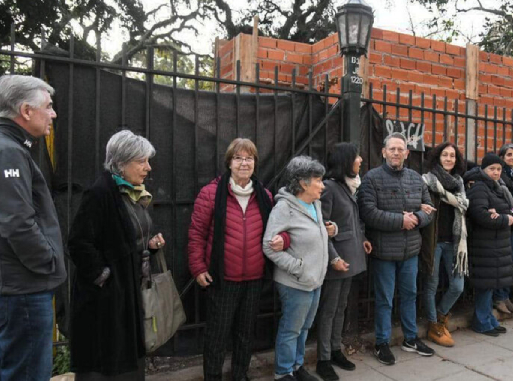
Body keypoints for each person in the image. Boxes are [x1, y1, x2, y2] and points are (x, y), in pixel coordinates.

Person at [187, 138, 289, 381]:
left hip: (254, 278)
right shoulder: (211, 193)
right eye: (238, 158)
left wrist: (283, 240)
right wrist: (198, 267)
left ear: (255, 163)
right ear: (229, 162)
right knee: (217, 334)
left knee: (245, 333)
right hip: (223, 279)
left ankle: (240, 375)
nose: (244, 163)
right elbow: (196, 234)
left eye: (249, 158)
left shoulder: (264, 195)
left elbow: (283, 228)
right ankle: (213, 376)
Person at [69, 130, 164, 380]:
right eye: (141, 161)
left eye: (147, 160)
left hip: (125, 293)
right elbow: (79, 242)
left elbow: (125, 238)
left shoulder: (130, 193)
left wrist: (149, 246)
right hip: (105, 301)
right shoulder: (100, 193)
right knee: (104, 364)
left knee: (125, 362)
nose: (148, 167)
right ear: (121, 163)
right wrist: (104, 276)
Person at [0, 75, 66, 381]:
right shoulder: (9, 151)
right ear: (26, 110)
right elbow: (17, 223)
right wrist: (47, 261)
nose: (53, 114)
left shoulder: (13, 147)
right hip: (24, 287)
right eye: (48, 106)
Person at [357, 133, 434, 365]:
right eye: (392, 149)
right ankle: (382, 342)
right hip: (384, 252)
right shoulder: (371, 179)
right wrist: (400, 221)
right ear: (383, 152)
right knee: (384, 299)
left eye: (401, 149)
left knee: (410, 295)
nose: (396, 153)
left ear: (407, 153)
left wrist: (417, 219)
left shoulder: (415, 178)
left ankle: (410, 338)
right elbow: (368, 213)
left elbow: (429, 208)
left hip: (410, 250)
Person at [263, 156, 338, 381]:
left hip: (315, 279)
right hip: (295, 281)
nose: (323, 185)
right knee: (291, 330)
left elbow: (314, 234)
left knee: (304, 328)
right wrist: (299, 268)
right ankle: (283, 372)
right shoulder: (284, 208)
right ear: (304, 183)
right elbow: (269, 246)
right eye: (318, 180)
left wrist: (330, 228)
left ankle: (297, 366)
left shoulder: (315, 203)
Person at [315, 143, 371, 381]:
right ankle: (323, 359)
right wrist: (334, 258)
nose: (360, 160)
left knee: (340, 308)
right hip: (336, 260)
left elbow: (352, 220)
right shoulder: (329, 188)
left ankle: (336, 349)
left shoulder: (348, 187)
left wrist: (363, 238)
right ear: (345, 161)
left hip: (350, 257)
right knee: (328, 310)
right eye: (356, 157)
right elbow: (321, 228)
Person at [421, 142, 467, 347]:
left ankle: (441, 316)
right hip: (433, 241)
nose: (449, 159)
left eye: (452, 156)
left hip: (454, 242)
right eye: (445, 155)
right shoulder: (427, 180)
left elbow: (463, 204)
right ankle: (433, 326)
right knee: (431, 284)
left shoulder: (458, 183)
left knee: (457, 285)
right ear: (437, 157)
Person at [464, 153, 513, 336]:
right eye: (492, 169)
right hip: (484, 245)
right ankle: (482, 322)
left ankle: (489, 320)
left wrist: (502, 215)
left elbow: (509, 210)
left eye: (499, 169)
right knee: (484, 286)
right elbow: (481, 215)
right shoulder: (479, 187)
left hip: (495, 244)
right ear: (483, 169)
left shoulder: (496, 187)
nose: (496, 172)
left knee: (490, 285)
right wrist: (503, 218)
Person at [493, 143, 513, 314]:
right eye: (509, 154)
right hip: (504, 221)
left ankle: (506, 296)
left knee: (512, 261)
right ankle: (499, 297)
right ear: (503, 157)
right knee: (502, 261)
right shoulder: (500, 174)